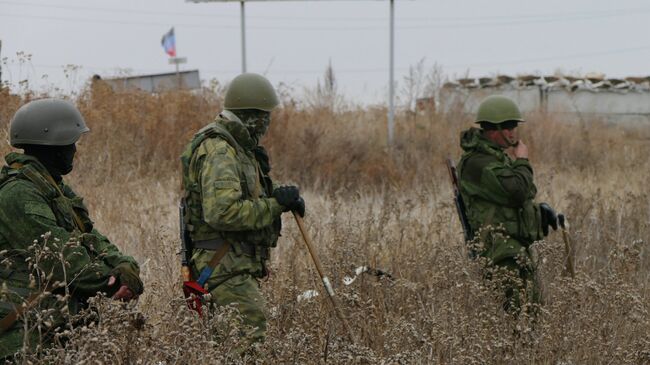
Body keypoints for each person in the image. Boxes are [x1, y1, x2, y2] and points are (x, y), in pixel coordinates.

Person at [0, 98, 143, 359]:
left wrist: (125, 267)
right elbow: (62, 259)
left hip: (52, 327)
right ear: (52, 146)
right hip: (21, 335)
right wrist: (111, 283)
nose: (75, 150)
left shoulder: (53, 188)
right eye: (71, 143)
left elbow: (91, 238)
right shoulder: (18, 194)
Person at [180, 73, 304, 345]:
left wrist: (282, 197)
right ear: (252, 117)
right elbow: (222, 212)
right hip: (224, 268)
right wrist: (274, 206)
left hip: (233, 267)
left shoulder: (239, 149)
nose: (268, 124)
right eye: (265, 117)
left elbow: (245, 194)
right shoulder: (220, 151)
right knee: (248, 346)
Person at [457, 95, 557, 314]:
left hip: (511, 248)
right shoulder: (478, 163)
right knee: (519, 317)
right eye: (510, 126)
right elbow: (518, 192)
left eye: (514, 126)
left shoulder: (494, 158)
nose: (514, 131)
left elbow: (516, 199)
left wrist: (541, 215)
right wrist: (522, 160)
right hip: (500, 253)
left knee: (530, 313)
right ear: (494, 130)